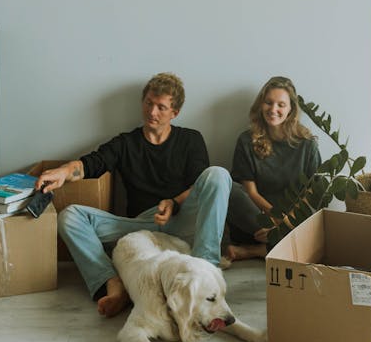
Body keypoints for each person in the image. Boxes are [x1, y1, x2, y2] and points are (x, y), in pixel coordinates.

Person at [35, 73, 231, 317]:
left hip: (181, 219)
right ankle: (112, 283)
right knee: (70, 216)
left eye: (161, 107)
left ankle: (206, 271)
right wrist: (64, 172)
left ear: (175, 112)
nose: (152, 112)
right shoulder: (126, 143)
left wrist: (173, 202)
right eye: (149, 103)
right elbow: (92, 163)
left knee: (218, 175)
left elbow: (199, 187)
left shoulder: (190, 139)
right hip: (140, 228)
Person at [226, 76, 321, 261]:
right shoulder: (246, 141)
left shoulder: (307, 144)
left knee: (313, 216)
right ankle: (277, 246)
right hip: (258, 220)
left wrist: (285, 222)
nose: (273, 109)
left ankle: (254, 251)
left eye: (281, 105)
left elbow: (312, 193)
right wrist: (275, 220)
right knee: (230, 190)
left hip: (293, 221)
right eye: (268, 103)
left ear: (291, 109)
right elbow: (250, 192)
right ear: (261, 105)